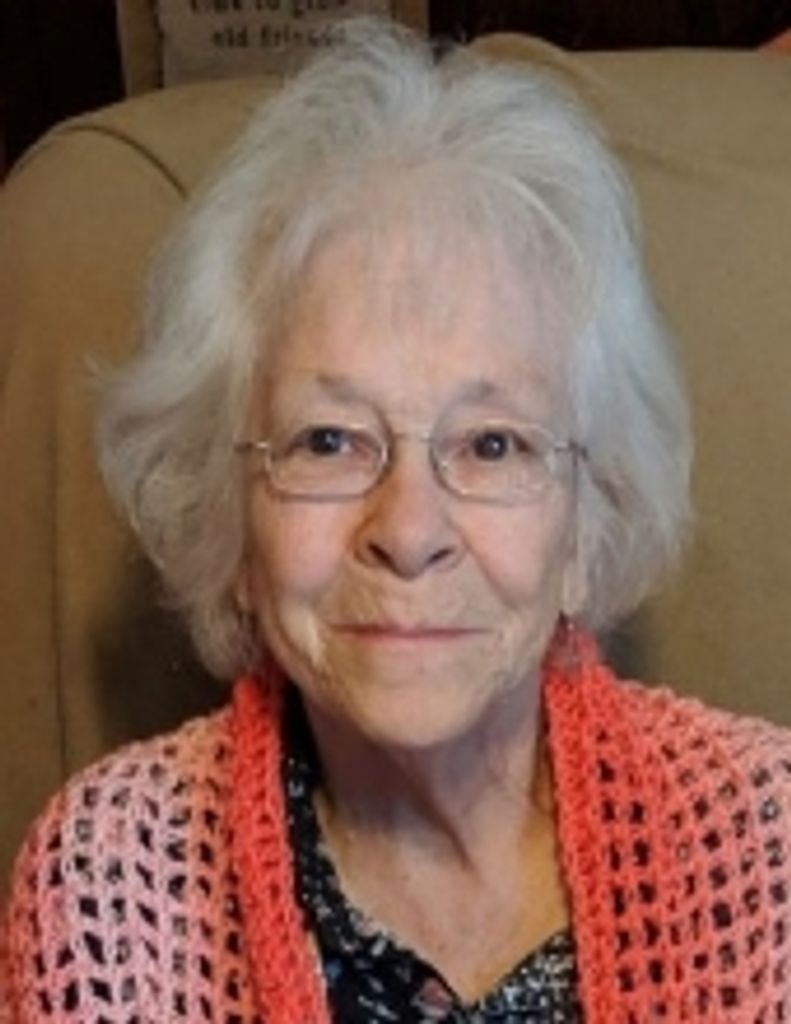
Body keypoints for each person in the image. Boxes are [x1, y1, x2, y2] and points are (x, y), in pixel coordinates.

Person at [3, 19, 791, 1023]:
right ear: (228, 517)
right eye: (329, 440)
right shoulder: (112, 890)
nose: (409, 531)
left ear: (586, 527)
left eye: (492, 444)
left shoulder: (763, 844)